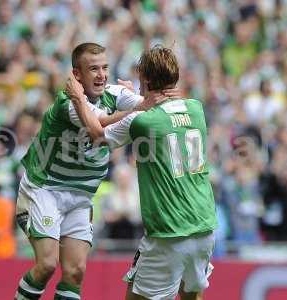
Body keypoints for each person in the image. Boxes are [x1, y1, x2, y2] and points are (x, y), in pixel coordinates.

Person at [14, 42, 179, 300]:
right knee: (47, 264)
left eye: (104, 67)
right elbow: (97, 126)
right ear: (77, 75)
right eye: (93, 69)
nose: (101, 74)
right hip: (46, 189)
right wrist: (137, 107)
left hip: (80, 196)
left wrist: (151, 100)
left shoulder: (114, 94)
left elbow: (149, 105)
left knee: (75, 271)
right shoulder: (68, 102)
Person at [66, 45, 217, 300]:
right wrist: (137, 96)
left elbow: (97, 135)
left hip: (168, 233)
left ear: (145, 79)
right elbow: (164, 110)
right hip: (204, 227)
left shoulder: (143, 122)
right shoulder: (196, 109)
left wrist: (78, 98)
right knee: (191, 296)